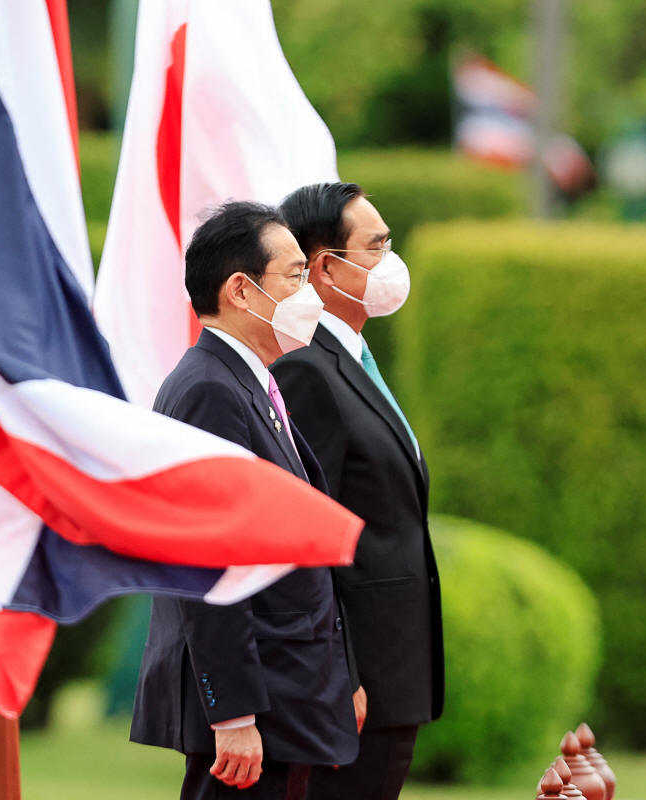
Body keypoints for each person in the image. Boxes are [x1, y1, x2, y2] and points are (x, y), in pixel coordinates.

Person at [130, 201, 361, 800]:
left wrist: (342, 672)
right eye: (295, 276)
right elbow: (208, 558)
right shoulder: (208, 390)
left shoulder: (249, 381)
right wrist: (232, 713)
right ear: (240, 289)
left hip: (290, 690)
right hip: (255, 701)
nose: (309, 293)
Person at [272, 183, 444, 800]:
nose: (391, 263)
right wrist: (339, 673)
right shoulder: (306, 368)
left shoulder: (354, 358)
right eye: (376, 248)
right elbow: (306, 538)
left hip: (393, 668)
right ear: (325, 268)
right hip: (357, 681)